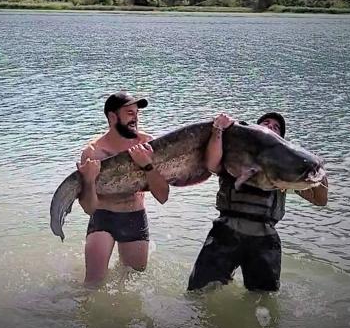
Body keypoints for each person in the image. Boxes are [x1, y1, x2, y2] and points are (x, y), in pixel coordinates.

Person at [187, 112, 329, 292]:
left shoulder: (287, 171)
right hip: (226, 232)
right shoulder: (233, 153)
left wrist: (316, 166)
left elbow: (320, 200)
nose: (269, 127)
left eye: (276, 127)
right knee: (198, 292)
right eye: (265, 123)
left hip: (264, 240)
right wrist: (218, 129)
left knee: (264, 299)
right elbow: (211, 164)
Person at [77, 91, 169, 286]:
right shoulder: (93, 152)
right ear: (112, 117)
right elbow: (89, 208)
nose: (135, 118)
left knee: (132, 284)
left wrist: (147, 165)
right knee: (93, 284)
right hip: (104, 217)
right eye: (129, 113)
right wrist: (89, 180)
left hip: (135, 218)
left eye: (137, 113)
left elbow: (162, 196)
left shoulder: (147, 145)